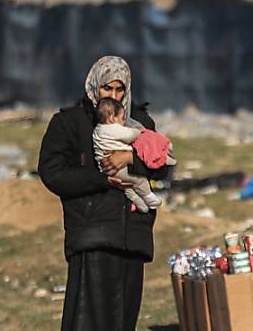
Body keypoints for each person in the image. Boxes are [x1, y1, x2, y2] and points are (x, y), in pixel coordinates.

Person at [38, 55, 174, 331]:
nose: (112, 96)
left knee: (123, 322)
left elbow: (163, 167)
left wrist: (130, 159)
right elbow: (52, 173)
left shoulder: (140, 123)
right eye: (106, 89)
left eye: (119, 89)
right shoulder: (69, 123)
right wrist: (102, 179)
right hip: (93, 236)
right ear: (94, 87)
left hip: (133, 238)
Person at [92, 97, 162, 213]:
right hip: (120, 168)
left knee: (128, 189)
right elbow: (129, 135)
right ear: (111, 118)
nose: (123, 121)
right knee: (138, 179)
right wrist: (137, 131)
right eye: (121, 118)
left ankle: (141, 206)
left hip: (106, 170)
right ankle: (150, 199)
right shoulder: (112, 128)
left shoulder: (97, 130)